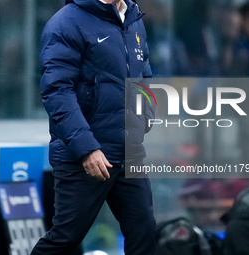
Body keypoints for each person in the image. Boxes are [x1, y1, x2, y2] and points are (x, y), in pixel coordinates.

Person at [30, 0, 156, 254]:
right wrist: (87, 149)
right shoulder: (66, 22)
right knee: (65, 238)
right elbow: (57, 92)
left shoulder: (133, 18)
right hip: (84, 155)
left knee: (144, 231)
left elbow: (143, 74)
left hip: (128, 151)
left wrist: (145, 117)